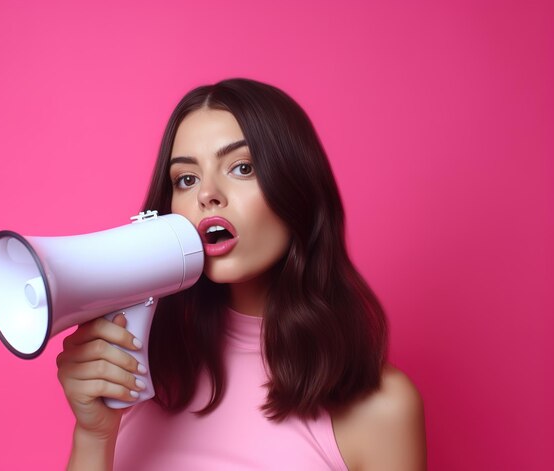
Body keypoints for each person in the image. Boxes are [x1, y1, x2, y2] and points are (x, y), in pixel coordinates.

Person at [57, 78, 427, 470]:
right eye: (186, 179)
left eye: (242, 167)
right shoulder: (141, 376)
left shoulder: (381, 409)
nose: (207, 194)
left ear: (298, 190)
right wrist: (94, 434)